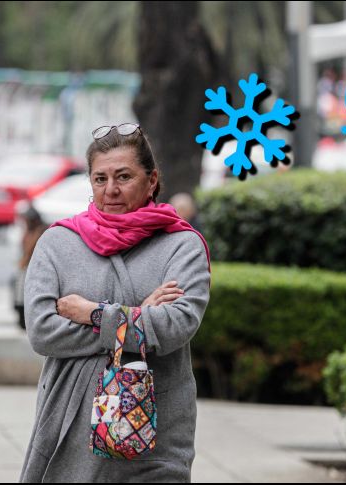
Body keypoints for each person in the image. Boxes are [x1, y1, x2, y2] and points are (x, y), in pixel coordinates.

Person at [20, 123, 211, 482]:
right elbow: (43, 332)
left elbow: (175, 326)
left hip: (157, 436)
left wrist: (91, 313)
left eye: (124, 176)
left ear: (151, 180)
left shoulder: (182, 245)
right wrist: (139, 317)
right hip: (69, 430)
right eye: (100, 178)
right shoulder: (58, 243)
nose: (111, 190)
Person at [13, 205, 48, 330]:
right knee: (18, 287)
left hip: (36, 268)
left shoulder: (42, 231)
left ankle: (25, 320)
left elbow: (29, 253)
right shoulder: (28, 231)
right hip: (27, 266)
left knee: (24, 290)